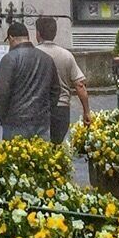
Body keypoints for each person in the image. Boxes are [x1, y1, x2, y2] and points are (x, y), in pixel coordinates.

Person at [0, 20, 58, 141]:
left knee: (16, 157)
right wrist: (47, 111)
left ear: (11, 38)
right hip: (41, 121)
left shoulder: (9, 59)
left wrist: (3, 118)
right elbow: (55, 90)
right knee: (40, 158)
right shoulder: (47, 59)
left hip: (15, 120)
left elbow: (2, 92)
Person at [33, 15, 90, 143]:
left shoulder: (32, 54)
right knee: (56, 146)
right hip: (61, 108)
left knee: (38, 148)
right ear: (55, 33)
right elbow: (80, 85)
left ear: (38, 34)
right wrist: (86, 111)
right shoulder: (66, 55)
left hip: (37, 107)